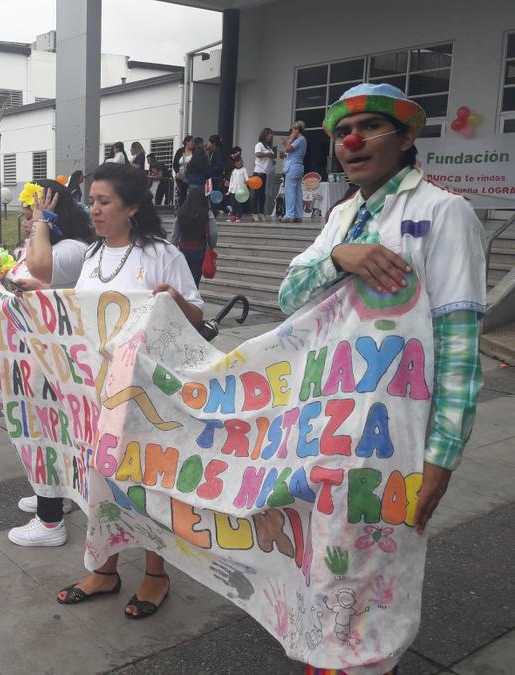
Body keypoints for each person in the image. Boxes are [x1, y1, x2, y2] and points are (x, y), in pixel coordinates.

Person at [279, 83, 485, 675]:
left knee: (376, 572)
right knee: (328, 560)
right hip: (328, 426)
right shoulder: (342, 216)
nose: (352, 141)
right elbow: (288, 295)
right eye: (344, 131)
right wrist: (337, 257)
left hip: (395, 439)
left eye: (369, 126)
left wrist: (442, 457)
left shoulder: (444, 213)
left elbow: (460, 343)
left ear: (407, 137)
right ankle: (326, 659)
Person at [56, 162, 203, 619]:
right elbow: (79, 315)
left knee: (149, 481)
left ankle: (157, 574)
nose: (94, 210)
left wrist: (174, 301)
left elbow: (196, 315)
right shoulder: (92, 255)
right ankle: (105, 569)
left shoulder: (161, 254)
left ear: (133, 207)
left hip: (150, 393)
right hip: (99, 394)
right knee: (102, 478)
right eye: (91, 202)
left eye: (104, 201)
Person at [0, 180, 94, 546]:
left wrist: (41, 223)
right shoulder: (55, 246)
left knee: (46, 434)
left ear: (53, 213)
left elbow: (33, 270)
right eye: (27, 215)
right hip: (39, 355)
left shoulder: (70, 248)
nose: (27, 222)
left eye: (31, 215)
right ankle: (55, 496)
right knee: (47, 433)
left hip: (52, 359)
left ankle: (50, 521)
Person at [174, 188, 217, 286]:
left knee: (182, 280)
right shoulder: (207, 213)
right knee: (194, 281)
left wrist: (172, 248)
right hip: (199, 250)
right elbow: (213, 233)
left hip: (183, 250)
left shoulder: (181, 213)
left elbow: (175, 234)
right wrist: (211, 246)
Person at [281, 121, 307, 222]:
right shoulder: (303, 140)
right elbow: (289, 150)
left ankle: (289, 215)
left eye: (293, 130)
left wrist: (291, 138)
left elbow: (287, 149)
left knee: (290, 191)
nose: (291, 133)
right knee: (297, 192)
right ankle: (298, 215)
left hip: (293, 167)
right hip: (298, 166)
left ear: (296, 129)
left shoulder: (299, 140)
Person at [252, 128, 276, 221]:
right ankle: (254, 213)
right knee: (256, 193)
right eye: (269, 134)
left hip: (266, 173)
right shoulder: (259, 145)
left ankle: (261, 212)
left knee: (263, 194)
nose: (271, 136)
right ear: (264, 135)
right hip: (258, 172)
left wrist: (272, 160)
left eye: (271, 134)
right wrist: (268, 154)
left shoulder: (269, 147)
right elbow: (258, 154)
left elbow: (270, 158)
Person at [226, 147, 250, 223]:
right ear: (234, 163)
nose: (239, 163)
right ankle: (233, 216)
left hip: (240, 190)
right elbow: (231, 181)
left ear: (242, 161)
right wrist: (229, 190)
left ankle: (238, 217)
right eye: (237, 162)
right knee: (233, 204)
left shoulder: (244, 170)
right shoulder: (234, 171)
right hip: (234, 190)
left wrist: (248, 182)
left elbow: (247, 178)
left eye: (240, 161)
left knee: (239, 204)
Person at [172, 135, 194, 208]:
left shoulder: (195, 151)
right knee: (182, 194)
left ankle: (191, 209)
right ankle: (181, 209)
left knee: (192, 194)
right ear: (187, 142)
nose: (193, 143)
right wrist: (177, 172)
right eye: (192, 141)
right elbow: (175, 163)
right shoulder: (180, 151)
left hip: (191, 176)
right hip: (181, 176)